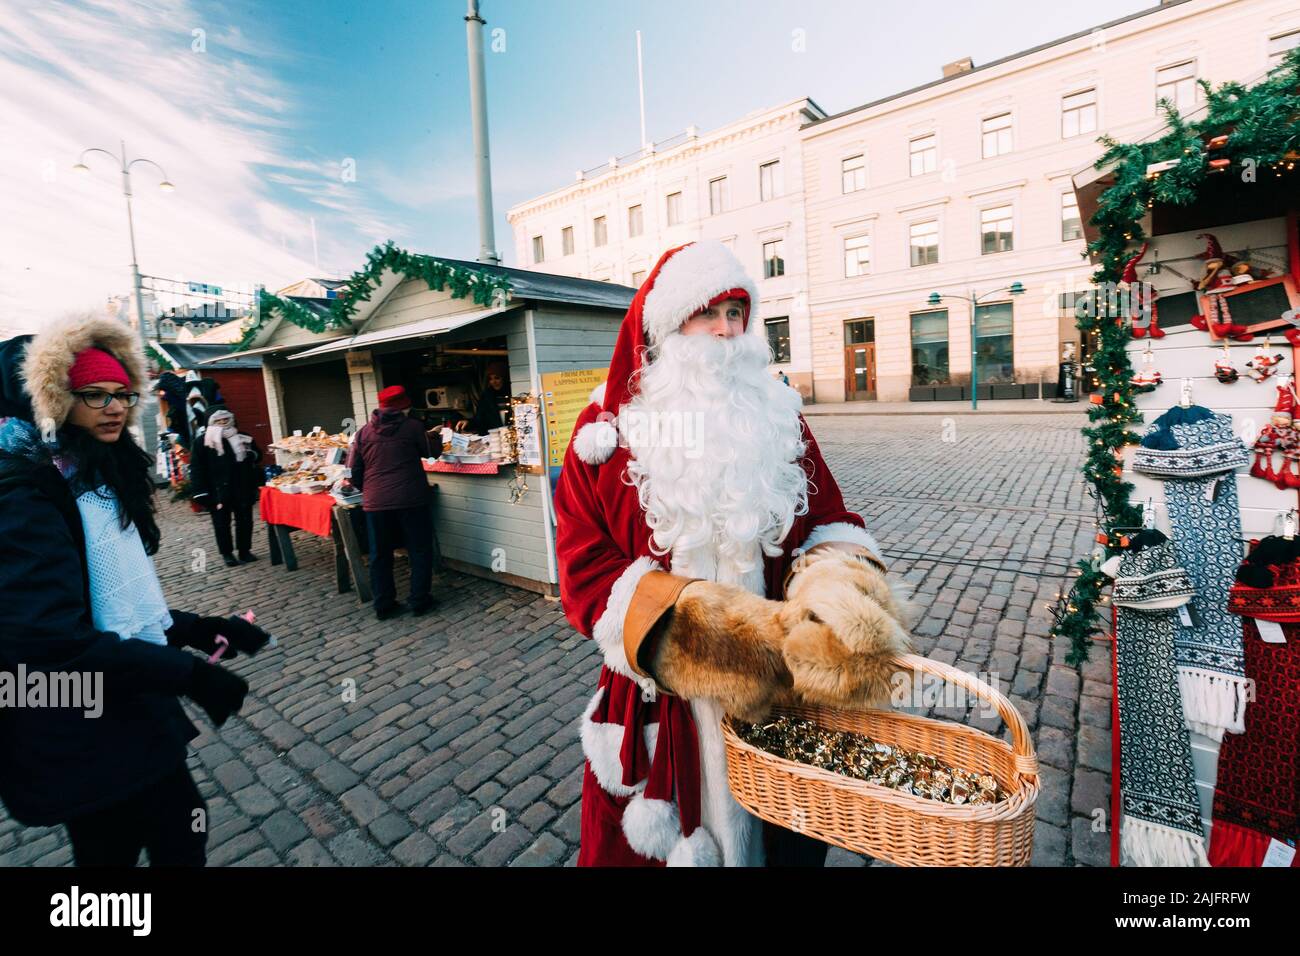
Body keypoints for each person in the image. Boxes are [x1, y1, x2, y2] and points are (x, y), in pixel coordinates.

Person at [554, 240, 913, 867]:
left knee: (784, 848)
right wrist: (709, 642)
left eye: (737, 313)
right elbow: (585, 570)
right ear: (668, 325)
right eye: (709, 312)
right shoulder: (607, 437)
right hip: (660, 701)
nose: (727, 330)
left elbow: (829, 521)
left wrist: (837, 599)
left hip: (781, 695)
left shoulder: (778, 416)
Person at [0, 315, 272, 866]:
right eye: (94, 396)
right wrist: (191, 676)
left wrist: (201, 629)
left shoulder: (85, 473)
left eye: (122, 394)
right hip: (73, 720)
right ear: (52, 399)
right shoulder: (23, 491)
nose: (115, 408)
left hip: (122, 705)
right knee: (119, 851)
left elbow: (111, 600)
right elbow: (52, 636)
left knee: (175, 832)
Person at [346, 385, 438, 620]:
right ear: (403, 405)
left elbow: (354, 469)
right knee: (418, 549)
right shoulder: (413, 427)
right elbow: (431, 453)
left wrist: (369, 490)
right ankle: (419, 600)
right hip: (411, 499)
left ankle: (384, 605)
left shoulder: (363, 432)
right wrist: (434, 436)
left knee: (379, 554)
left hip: (376, 503)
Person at [189, 406, 263, 567]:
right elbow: (196, 468)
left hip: (242, 486)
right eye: (218, 420)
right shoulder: (202, 442)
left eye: (225, 419)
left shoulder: (243, 436)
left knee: (245, 520)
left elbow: (258, 456)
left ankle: (245, 551)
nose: (223, 423)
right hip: (217, 489)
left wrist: (251, 454)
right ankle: (227, 553)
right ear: (210, 422)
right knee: (221, 523)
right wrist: (200, 492)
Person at [456, 360, 511, 434]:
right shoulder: (487, 397)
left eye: (497, 378)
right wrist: (468, 422)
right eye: (491, 379)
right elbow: (479, 420)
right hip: (494, 438)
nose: (493, 382)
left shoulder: (513, 393)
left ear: (504, 378)